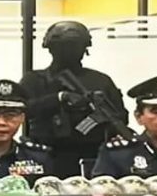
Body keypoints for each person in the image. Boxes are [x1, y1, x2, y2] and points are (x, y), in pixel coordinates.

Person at [20, 20, 129, 177]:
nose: (69, 51)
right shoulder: (35, 80)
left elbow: (121, 116)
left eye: (74, 46)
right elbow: (22, 110)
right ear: (50, 48)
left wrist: (99, 116)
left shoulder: (100, 80)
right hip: (46, 154)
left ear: (85, 49)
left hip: (93, 155)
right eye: (63, 47)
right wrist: (59, 99)